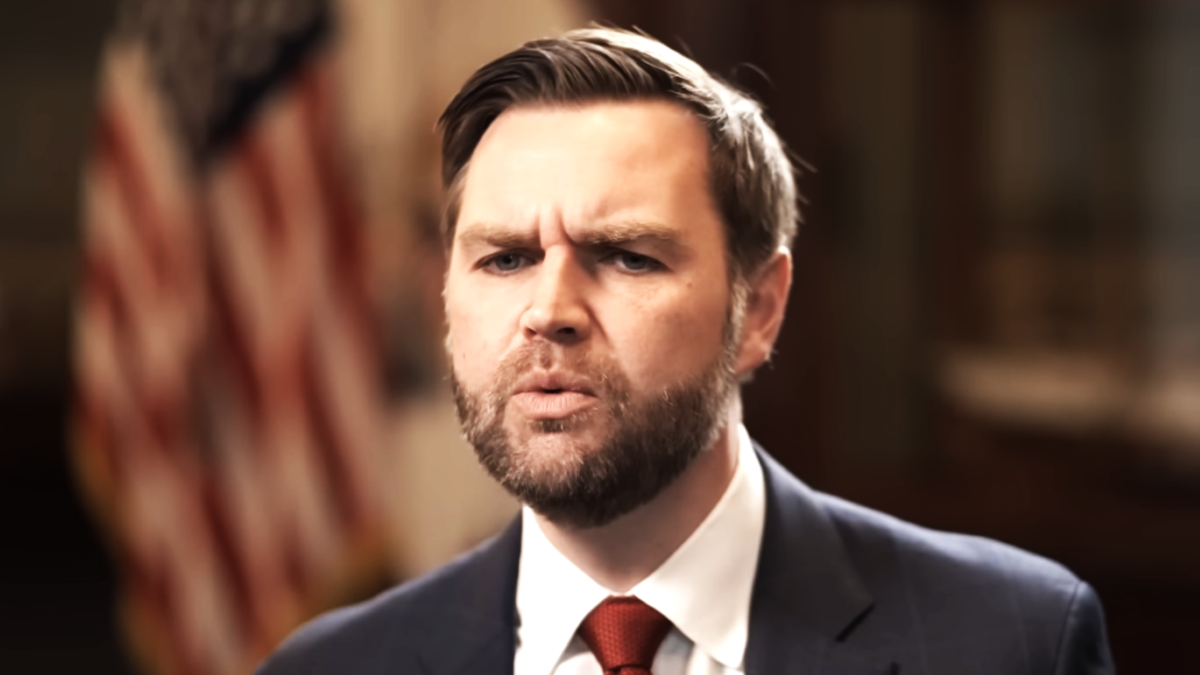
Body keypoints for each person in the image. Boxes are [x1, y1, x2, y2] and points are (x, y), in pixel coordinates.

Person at [257, 27, 1114, 675]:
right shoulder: (329, 666)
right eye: (506, 258)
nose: (548, 311)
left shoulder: (1015, 641)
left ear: (760, 309)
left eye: (627, 256)